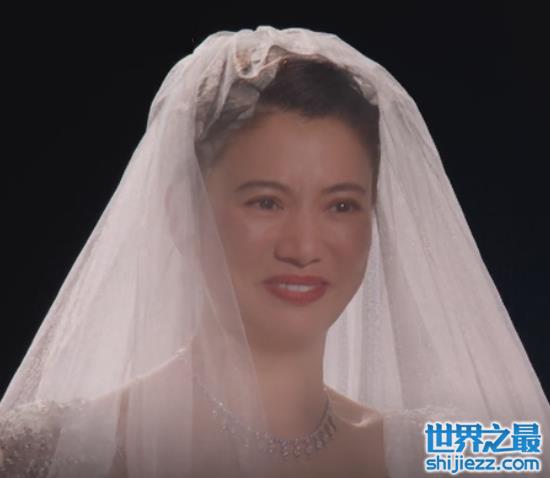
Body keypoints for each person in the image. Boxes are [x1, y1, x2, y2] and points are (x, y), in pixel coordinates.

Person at [0, 26, 548, 477]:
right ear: (182, 215)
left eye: (341, 205)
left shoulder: (454, 454)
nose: (304, 248)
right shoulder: (41, 453)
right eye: (266, 202)